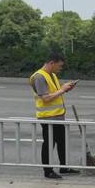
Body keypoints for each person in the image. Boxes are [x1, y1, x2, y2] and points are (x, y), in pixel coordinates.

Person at [29, 51, 79, 179]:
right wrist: (62, 90)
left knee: (61, 142)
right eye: (59, 66)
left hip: (57, 115)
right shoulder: (39, 77)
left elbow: (55, 93)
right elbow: (45, 98)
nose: (60, 69)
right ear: (52, 63)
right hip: (48, 117)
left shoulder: (51, 75)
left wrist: (64, 89)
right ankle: (48, 171)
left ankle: (64, 167)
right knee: (49, 143)